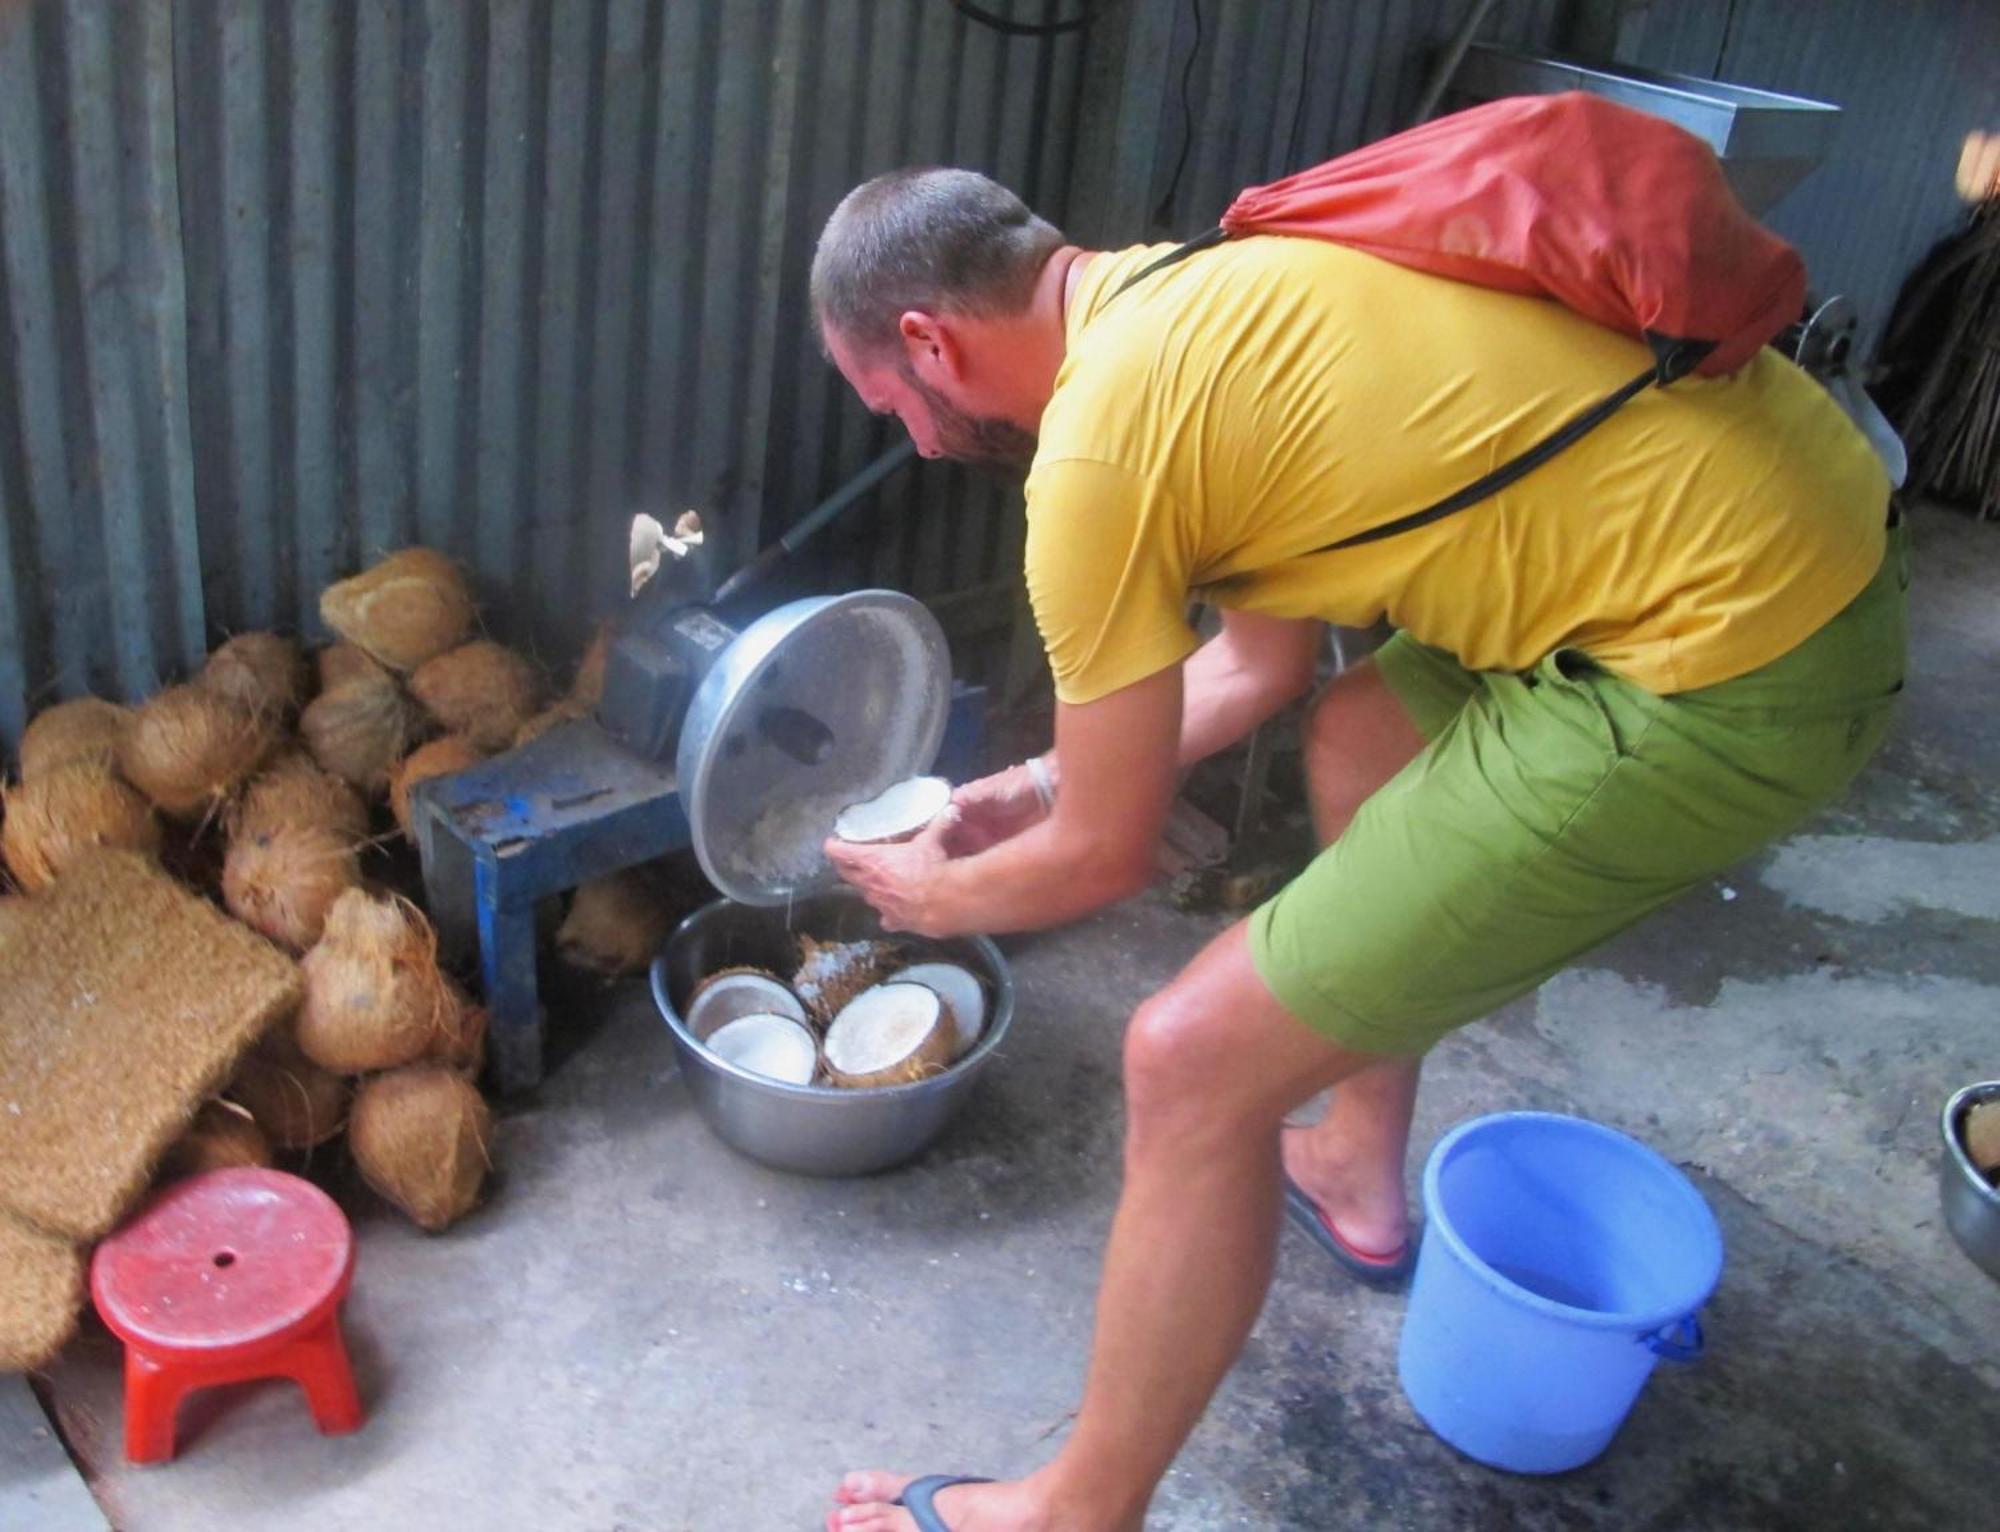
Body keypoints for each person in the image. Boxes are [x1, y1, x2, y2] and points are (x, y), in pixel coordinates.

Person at [810, 167, 1905, 1532]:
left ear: (928, 340)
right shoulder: (1183, 287)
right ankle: (1356, 1164)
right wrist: (1027, 785)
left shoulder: (1093, 457)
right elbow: (1256, 666)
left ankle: (1075, 1511)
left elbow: (1106, 856)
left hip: (1736, 657)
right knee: (1363, 727)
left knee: (1189, 1060)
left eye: (896, 406)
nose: (916, 441)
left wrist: (932, 893)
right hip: (1807, 524)